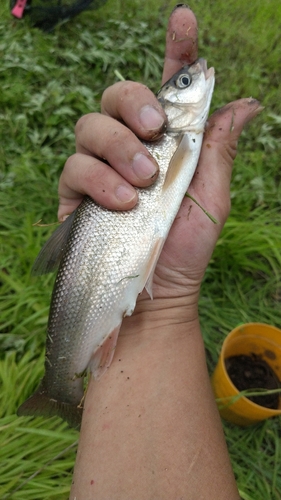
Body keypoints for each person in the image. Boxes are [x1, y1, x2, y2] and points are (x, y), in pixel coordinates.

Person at [59, 6, 261, 499]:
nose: (200, 78)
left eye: (186, 80)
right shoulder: (170, 130)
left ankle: (59, 383)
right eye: (188, 82)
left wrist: (164, 302)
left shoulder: (182, 131)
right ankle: (59, 384)